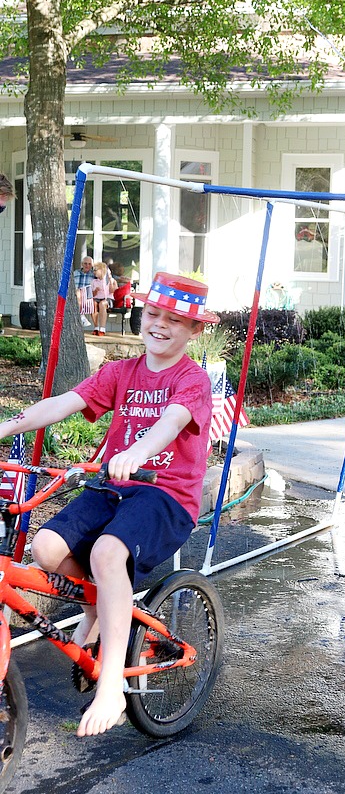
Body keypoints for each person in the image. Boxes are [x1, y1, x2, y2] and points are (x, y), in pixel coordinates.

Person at [0, 271, 219, 738]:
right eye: (154, 314)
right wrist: (6, 427)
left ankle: (113, 684)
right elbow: (64, 402)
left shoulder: (192, 380)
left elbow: (172, 421)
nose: (159, 325)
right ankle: (100, 612)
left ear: (195, 330)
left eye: (175, 320)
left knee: (105, 553)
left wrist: (138, 452)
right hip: (115, 485)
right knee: (47, 547)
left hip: (166, 493)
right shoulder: (122, 371)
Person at [91, 261, 118, 336]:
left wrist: (110, 281)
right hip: (97, 298)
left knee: (102, 304)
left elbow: (112, 291)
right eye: (93, 270)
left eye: (96, 270)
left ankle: (102, 329)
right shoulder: (94, 281)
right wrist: (95, 291)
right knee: (93, 304)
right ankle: (96, 327)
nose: (94, 272)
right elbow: (92, 294)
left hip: (108, 299)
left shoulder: (111, 280)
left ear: (102, 270)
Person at [74, 257, 95, 328]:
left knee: (79, 292)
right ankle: (81, 316)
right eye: (85, 263)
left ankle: (81, 316)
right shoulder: (75, 273)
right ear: (82, 264)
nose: (87, 265)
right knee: (78, 292)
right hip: (76, 296)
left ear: (92, 265)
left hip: (88, 296)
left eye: (89, 264)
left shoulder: (94, 274)